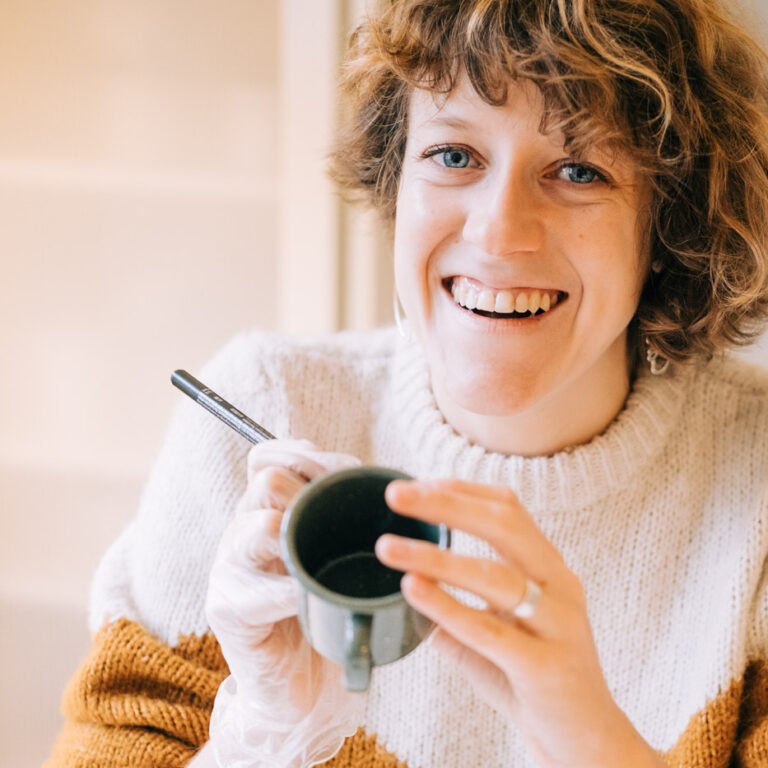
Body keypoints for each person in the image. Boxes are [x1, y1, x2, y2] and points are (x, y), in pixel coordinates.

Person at [46, 0, 768, 766]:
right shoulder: (265, 413)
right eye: (455, 155)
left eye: (579, 169)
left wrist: (594, 743)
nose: (499, 233)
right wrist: (260, 736)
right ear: (395, 180)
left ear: (669, 223)